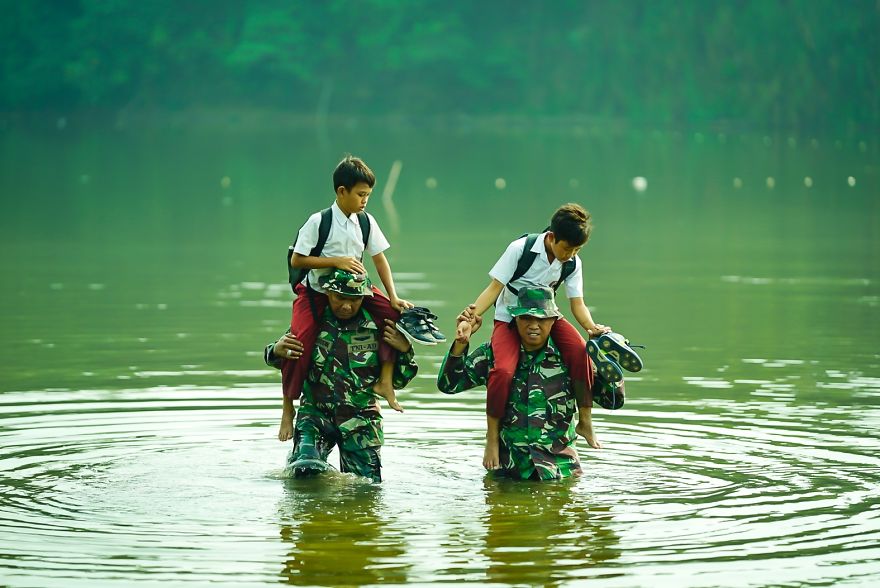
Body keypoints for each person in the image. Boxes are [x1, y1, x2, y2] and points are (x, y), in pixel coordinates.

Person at [456, 203, 611, 467]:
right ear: (551, 237)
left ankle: (585, 420)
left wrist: (591, 326)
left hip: (547, 314)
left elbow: (577, 303)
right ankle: (491, 438)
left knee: (579, 351)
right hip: (510, 316)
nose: (570, 255)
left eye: (576, 250)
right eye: (567, 249)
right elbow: (494, 288)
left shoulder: (572, 262)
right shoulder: (520, 250)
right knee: (503, 371)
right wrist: (471, 317)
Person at [285, 155, 414, 413]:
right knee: (297, 342)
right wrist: (337, 261)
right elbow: (297, 260)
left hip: (356, 292)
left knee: (393, 317)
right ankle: (288, 407)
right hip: (318, 291)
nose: (365, 200)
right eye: (361, 195)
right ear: (342, 191)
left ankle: (385, 382)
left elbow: (380, 260)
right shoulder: (319, 221)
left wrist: (393, 296)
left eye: (368, 195)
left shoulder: (365, 221)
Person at [265, 269, 419, 482]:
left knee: (366, 487)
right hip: (315, 414)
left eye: (354, 300)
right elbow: (286, 361)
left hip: (361, 420)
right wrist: (275, 351)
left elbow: (399, 382)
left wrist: (405, 351)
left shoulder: (379, 326)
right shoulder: (312, 319)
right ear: (328, 293)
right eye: (340, 298)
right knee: (304, 470)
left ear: (364, 297)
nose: (347, 306)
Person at [439, 286, 602, 481]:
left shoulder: (572, 358)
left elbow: (612, 400)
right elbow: (449, 385)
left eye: (541, 319)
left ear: (553, 320)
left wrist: (602, 357)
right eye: (526, 318)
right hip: (507, 471)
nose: (533, 325)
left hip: (561, 472)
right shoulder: (495, 355)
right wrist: (461, 344)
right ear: (515, 319)